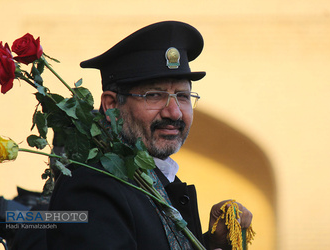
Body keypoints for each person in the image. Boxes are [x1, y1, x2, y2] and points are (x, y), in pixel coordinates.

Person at [46, 20, 252, 250]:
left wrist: (212, 242)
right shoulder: (88, 188)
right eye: (154, 95)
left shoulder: (149, 178)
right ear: (112, 105)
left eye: (183, 96)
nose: (174, 112)